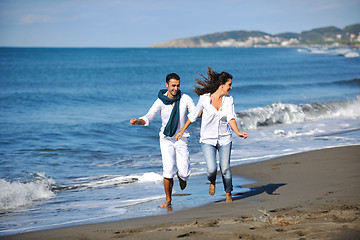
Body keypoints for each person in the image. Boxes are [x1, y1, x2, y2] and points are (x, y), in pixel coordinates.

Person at [176, 67, 248, 203]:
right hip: (207, 139)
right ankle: (212, 181)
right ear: (222, 85)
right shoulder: (204, 99)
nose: (231, 88)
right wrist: (182, 130)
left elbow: (230, 117)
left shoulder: (229, 100)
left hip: (225, 138)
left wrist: (237, 132)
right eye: (229, 84)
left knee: (225, 168)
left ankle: (228, 194)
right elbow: (193, 116)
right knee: (211, 169)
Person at [130, 73, 195, 208]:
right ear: (167, 85)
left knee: (184, 173)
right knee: (167, 169)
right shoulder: (161, 101)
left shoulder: (185, 98)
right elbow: (149, 116)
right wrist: (138, 122)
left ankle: (182, 178)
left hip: (181, 138)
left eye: (178, 85)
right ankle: (168, 199)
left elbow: (194, 114)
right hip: (166, 139)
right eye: (173, 86)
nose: (176, 88)